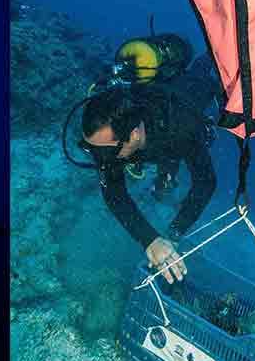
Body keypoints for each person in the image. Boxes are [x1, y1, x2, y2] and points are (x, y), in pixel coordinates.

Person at [79, 58, 223, 284]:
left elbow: (206, 182)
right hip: (155, 129)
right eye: (89, 148)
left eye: (103, 152)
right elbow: (115, 195)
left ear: (134, 134)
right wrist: (150, 239)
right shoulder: (113, 141)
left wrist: (174, 234)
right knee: (165, 173)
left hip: (191, 96)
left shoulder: (182, 128)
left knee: (203, 78)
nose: (99, 160)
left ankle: (210, 58)